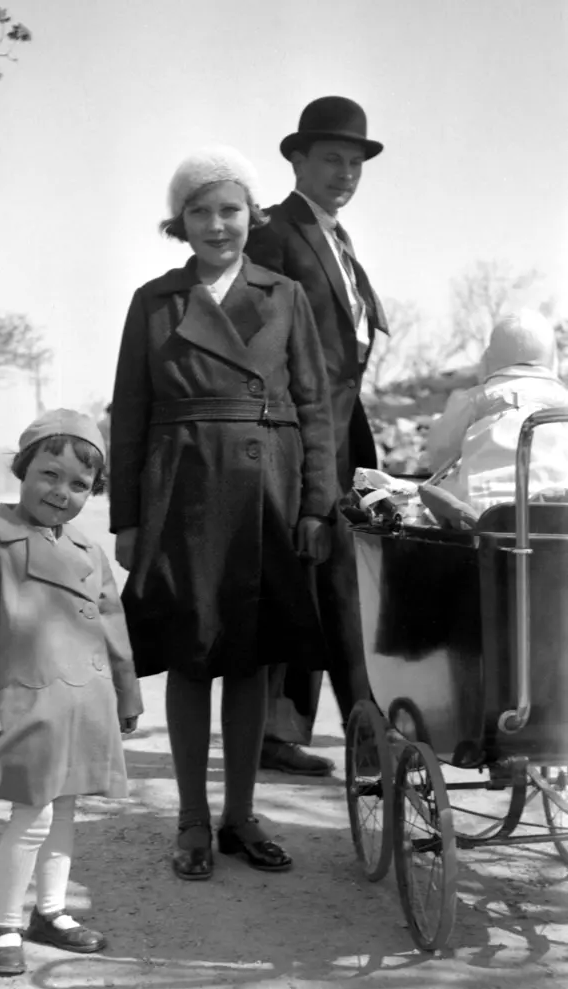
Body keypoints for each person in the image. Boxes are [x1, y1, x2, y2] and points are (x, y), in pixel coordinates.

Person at [109, 146, 339, 880]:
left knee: (250, 659)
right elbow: (131, 415)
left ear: (252, 216)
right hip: (183, 491)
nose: (217, 225)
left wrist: (316, 505)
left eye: (230, 210)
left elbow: (315, 408)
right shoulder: (154, 302)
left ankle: (240, 816)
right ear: (179, 222)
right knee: (189, 656)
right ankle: (190, 821)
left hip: (267, 494)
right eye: (200, 211)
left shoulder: (286, 295)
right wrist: (128, 518)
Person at [0, 409, 143, 977]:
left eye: (80, 484)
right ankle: (5, 923)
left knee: (65, 814)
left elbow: (111, 625)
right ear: (22, 471)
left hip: (83, 704)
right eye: (49, 474)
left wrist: (126, 694)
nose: (62, 492)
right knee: (31, 815)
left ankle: (49, 912)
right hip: (28, 705)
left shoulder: (87, 552)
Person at [244, 96, 389, 775]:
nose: (345, 172)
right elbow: (258, 343)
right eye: (331, 158)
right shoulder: (272, 232)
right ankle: (362, 735)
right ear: (297, 160)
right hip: (299, 436)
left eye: (355, 162)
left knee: (318, 574)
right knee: (330, 582)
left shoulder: (336, 239)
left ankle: (282, 728)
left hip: (340, 435)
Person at [427, 309, 568, 514]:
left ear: (490, 355)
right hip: (555, 516)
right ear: (552, 357)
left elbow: (438, 457)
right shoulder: (564, 401)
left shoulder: (474, 400)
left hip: (481, 516)